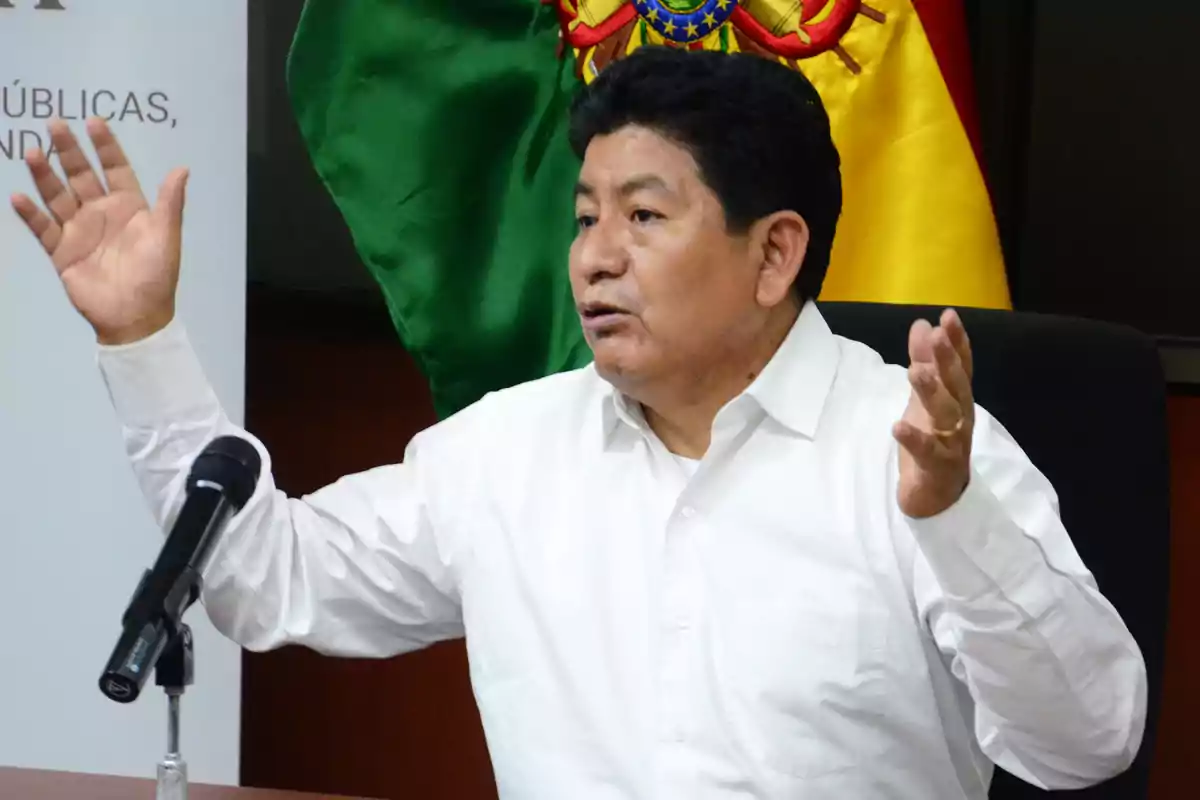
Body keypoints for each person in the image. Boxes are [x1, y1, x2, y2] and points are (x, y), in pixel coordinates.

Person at [12, 47, 1145, 799]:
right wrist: (144, 337)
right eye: (585, 214)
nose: (595, 255)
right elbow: (266, 575)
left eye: (645, 215)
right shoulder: (509, 450)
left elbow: (1087, 739)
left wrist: (953, 520)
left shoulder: (915, 455)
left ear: (776, 252)